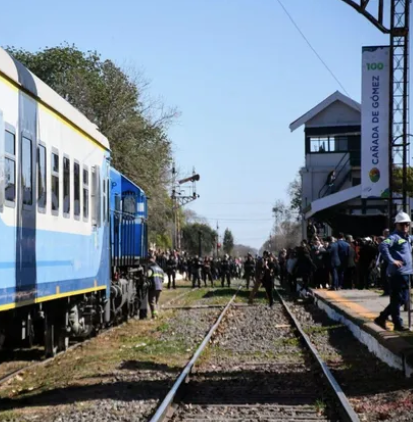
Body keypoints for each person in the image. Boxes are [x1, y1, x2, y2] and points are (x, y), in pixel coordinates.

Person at [374, 211, 413, 332]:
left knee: (402, 299)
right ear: (396, 225)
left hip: (406, 273)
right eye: (402, 224)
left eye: (407, 224)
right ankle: (397, 323)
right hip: (398, 273)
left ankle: (382, 317)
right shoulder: (394, 237)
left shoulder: (406, 238)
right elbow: (382, 246)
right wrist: (392, 260)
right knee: (397, 299)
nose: (405, 227)